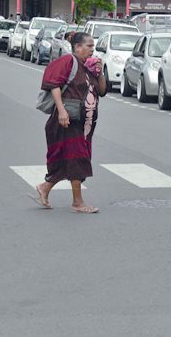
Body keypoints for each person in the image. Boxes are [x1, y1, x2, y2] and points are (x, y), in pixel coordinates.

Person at [30, 32, 106, 214]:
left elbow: (102, 91)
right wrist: (62, 110)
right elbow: (54, 84)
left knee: (68, 160)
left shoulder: (88, 67)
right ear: (77, 46)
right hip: (67, 121)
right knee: (76, 158)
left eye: (93, 47)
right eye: (89, 46)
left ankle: (44, 187)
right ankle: (77, 203)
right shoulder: (68, 62)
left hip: (83, 124)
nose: (92, 50)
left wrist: (100, 72)